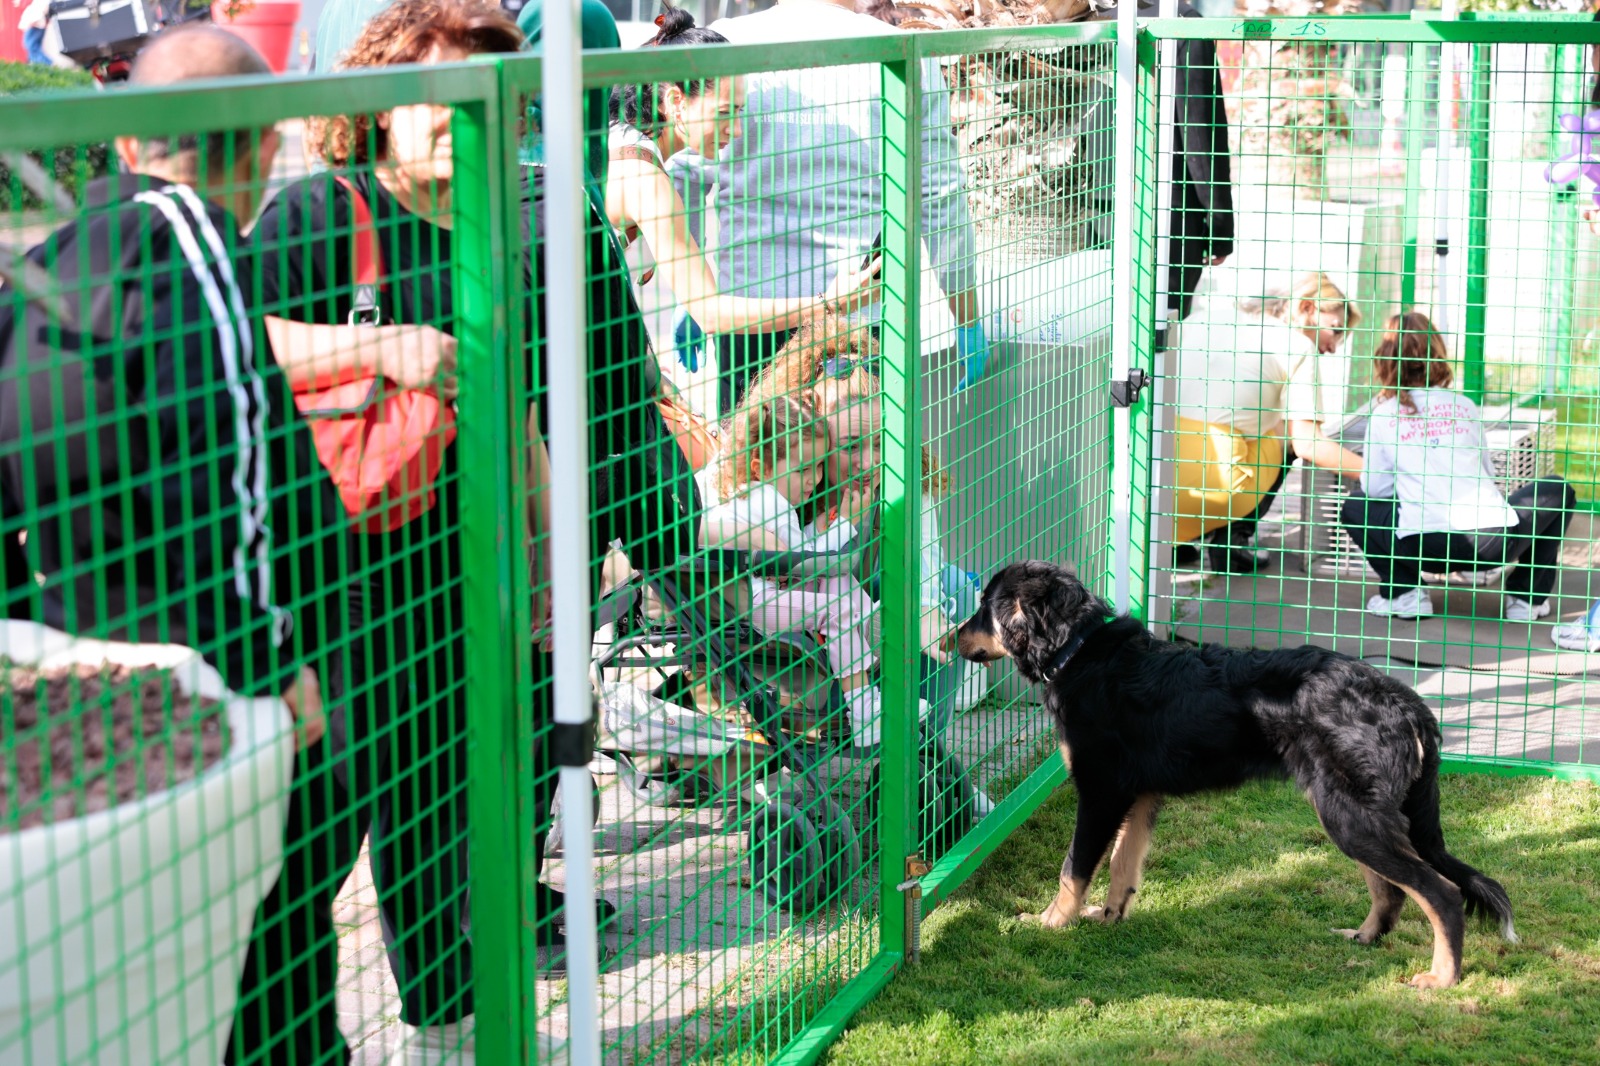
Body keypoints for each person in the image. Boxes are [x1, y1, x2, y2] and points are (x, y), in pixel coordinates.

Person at [725, 316, 993, 812]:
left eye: (878, 442)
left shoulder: (896, 476)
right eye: (849, 447)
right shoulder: (785, 476)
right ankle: (869, 740)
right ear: (808, 426)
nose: (868, 459)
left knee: (954, 588)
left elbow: (925, 553)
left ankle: (914, 761)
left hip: (861, 608)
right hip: (796, 616)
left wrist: (927, 605)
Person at [705, 0, 986, 414]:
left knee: (756, 465)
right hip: (854, 311)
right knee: (852, 469)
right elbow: (940, 195)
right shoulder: (900, 50)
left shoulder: (726, 40)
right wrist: (966, 317)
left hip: (747, 308)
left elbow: (685, 171)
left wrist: (692, 295)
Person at [605, 7, 879, 354]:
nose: (734, 131)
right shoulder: (647, 179)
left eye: (738, 112)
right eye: (723, 112)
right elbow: (711, 313)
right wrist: (830, 303)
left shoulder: (620, 138)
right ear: (675, 101)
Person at [704, 390, 912, 747]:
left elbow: (797, 551)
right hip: (754, 607)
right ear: (760, 467)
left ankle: (864, 641)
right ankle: (864, 707)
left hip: (757, 596)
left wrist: (821, 527)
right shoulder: (770, 502)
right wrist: (845, 523)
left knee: (841, 589)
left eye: (818, 466)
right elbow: (809, 564)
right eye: (803, 468)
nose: (814, 479)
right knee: (838, 597)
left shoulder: (752, 494)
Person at [1339, 313, 1576, 621]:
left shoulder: (1383, 415)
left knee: (1356, 505)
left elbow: (1375, 489)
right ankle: (1526, 600)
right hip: (1491, 542)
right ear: (1438, 354)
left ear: (1385, 360)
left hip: (1419, 544)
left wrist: (1415, 483)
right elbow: (1488, 476)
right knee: (1558, 489)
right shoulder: (1464, 405)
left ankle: (1405, 593)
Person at [1172, 272, 1365, 573]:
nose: (1333, 346)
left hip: (1156, 484)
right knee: (1289, 435)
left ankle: (1179, 544)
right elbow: (1307, 443)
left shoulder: (1203, 317)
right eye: (1335, 330)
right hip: (1218, 493)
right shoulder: (1298, 346)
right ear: (1308, 308)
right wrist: (1382, 475)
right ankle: (1232, 542)